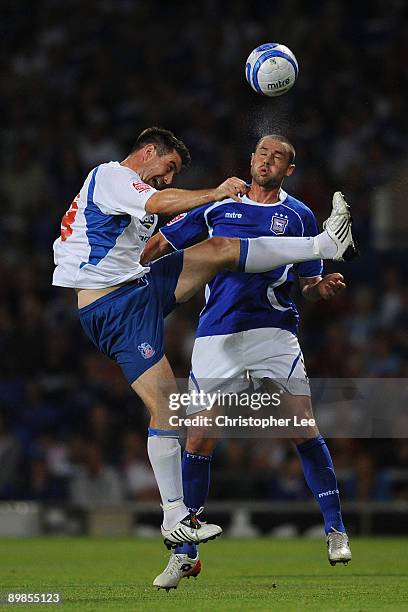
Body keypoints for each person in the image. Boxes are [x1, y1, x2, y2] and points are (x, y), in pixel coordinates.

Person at [52, 127, 355, 552]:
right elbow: (158, 203)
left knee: (219, 249)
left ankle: (324, 244)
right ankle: (175, 515)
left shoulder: (296, 211)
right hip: (115, 308)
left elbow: (147, 245)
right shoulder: (112, 176)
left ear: (289, 168)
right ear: (148, 152)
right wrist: (213, 193)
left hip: (139, 286)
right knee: (169, 411)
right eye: (168, 167)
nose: (168, 177)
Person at [144, 135, 353, 589]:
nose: (266, 161)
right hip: (217, 333)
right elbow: (162, 242)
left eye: (277, 157)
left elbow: (308, 285)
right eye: (261, 153)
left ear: (288, 169)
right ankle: (185, 552)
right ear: (251, 158)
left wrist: (323, 289)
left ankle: (336, 529)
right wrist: (126, 270)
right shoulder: (219, 205)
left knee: (302, 428)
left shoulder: (299, 215)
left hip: (273, 330)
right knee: (199, 439)